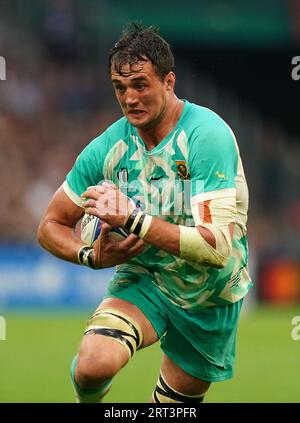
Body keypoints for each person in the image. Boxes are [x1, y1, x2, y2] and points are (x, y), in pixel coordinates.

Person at [37, 23, 251, 403]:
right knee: (92, 367)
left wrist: (132, 220)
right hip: (146, 277)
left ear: (169, 82)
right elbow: (50, 225)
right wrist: (90, 255)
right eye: (120, 88)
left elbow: (216, 247)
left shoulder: (207, 136)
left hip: (210, 292)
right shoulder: (108, 147)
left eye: (140, 85)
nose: (129, 98)